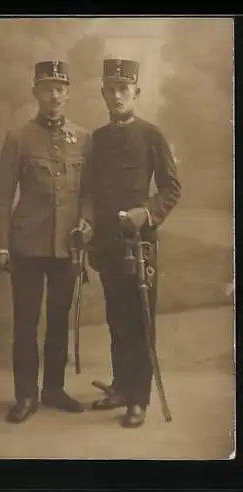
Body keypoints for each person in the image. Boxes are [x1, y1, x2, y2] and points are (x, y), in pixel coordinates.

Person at [0, 60, 93, 423]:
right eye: (47, 87)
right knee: (26, 322)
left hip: (67, 246)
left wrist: (87, 222)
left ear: (68, 93)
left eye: (61, 88)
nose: (55, 95)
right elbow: (3, 195)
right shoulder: (19, 136)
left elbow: (89, 194)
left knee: (59, 319)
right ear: (36, 92)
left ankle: (53, 389)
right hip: (27, 245)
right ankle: (26, 395)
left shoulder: (83, 138)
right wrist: (0, 245)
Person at [88, 58, 181, 428]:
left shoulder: (151, 135)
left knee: (140, 318)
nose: (116, 96)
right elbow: (91, 191)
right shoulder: (97, 139)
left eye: (123, 89)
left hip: (140, 244)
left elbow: (172, 187)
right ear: (103, 94)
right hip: (108, 244)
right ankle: (122, 387)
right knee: (117, 318)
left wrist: (148, 212)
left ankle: (138, 399)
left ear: (136, 93)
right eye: (110, 90)